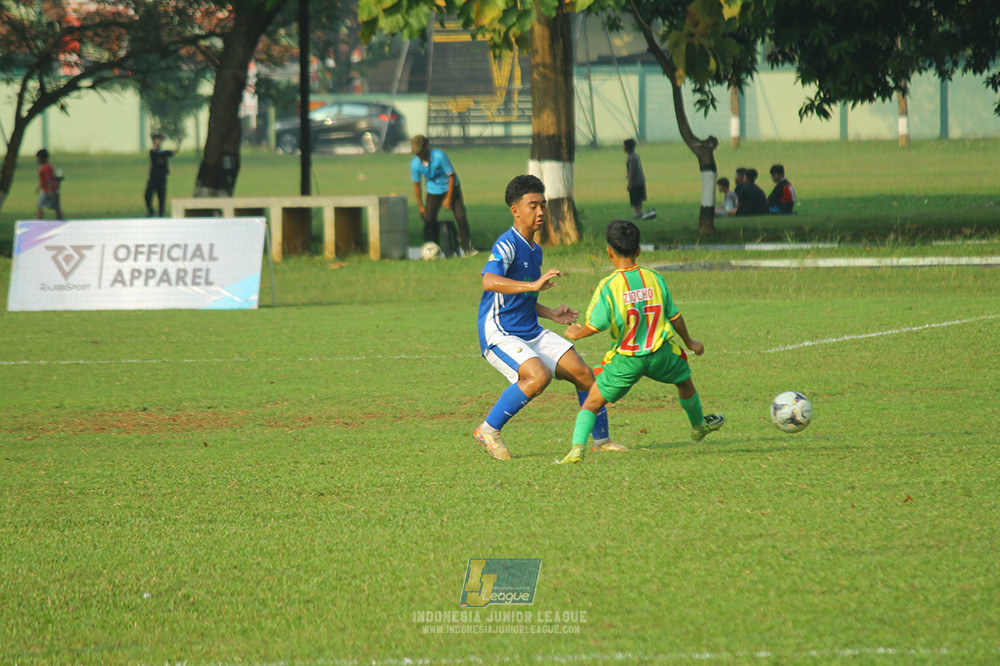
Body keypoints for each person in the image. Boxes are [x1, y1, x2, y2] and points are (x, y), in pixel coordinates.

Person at [474, 174, 623, 460]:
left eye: (543, 205)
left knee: (584, 374)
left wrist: (550, 313)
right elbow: (490, 281)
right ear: (515, 210)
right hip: (500, 331)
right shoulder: (506, 244)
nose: (541, 212)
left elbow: (521, 297)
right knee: (538, 376)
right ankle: (488, 430)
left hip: (529, 328)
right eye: (533, 206)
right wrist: (532, 286)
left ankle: (601, 440)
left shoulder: (535, 249)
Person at [559, 219, 725, 464]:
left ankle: (576, 449)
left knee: (592, 403)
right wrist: (689, 342)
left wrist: (576, 333)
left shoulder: (609, 286)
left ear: (609, 252)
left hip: (627, 360)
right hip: (661, 354)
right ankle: (699, 425)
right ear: (638, 250)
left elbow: (596, 325)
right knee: (685, 382)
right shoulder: (654, 278)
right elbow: (675, 316)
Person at [410, 134, 473, 256]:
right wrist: (420, 205)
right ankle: (431, 248)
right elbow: (416, 185)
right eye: (416, 154)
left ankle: (467, 248)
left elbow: (452, 176)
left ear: (426, 147)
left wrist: (448, 199)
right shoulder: (415, 164)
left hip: (451, 188)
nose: (419, 156)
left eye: (420, 152)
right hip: (433, 191)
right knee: (428, 219)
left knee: (460, 216)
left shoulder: (439, 156)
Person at [624, 139, 655, 220]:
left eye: (624, 146)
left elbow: (632, 171)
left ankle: (637, 213)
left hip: (635, 182)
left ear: (627, 148)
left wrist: (629, 183)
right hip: (641, 180)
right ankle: (639, 212)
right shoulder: (636, 156)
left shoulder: (631, 158)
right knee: (639, 198)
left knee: (635, 198)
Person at [145, 133, 175, 217]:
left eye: (159, 140)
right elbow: (157, 152)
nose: (157, 142)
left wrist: (178, 142)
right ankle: (151, 211)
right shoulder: (153, 152)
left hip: (162, 178)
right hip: (153, 177)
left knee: (161, 198)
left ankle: (161, 214)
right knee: (147, 195)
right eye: (156, 140)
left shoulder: (164, 152)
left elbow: (172, 152)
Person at [35, 149, 64, 220]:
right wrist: (39, 187)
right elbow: (44, 180)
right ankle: (61, 220)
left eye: (38, 158)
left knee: (40, 204)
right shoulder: (49, 166)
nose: (37, 160)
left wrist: (50, 191)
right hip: (53, 189)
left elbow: (49, 179)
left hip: (48, 190)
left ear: (42, 158)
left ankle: (38, 221)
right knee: (57, 207)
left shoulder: (45, 168)